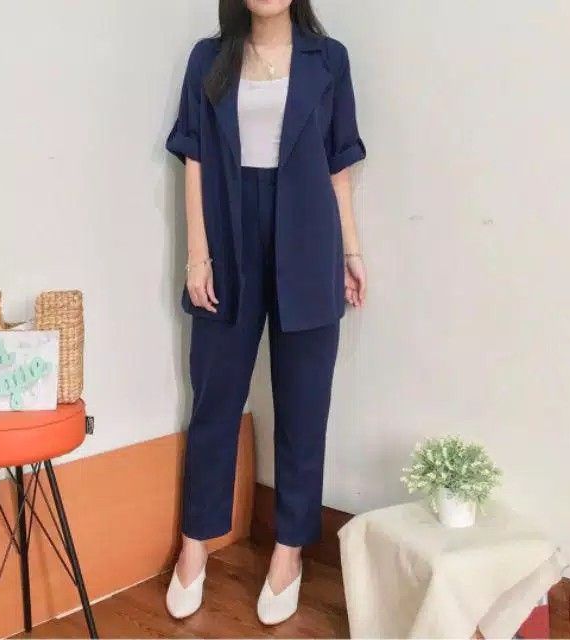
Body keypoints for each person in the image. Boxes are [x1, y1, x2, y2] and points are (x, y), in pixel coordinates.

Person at [165, 0, 366, 625]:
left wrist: (351, 251)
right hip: (228, 236)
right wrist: (197, 254)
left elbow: (338, 168)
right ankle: (194, 542)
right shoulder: (210, 58)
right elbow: (195, 160)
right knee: (215, 397)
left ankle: (289, 551)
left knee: (304, 404)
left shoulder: (329, 60)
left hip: (308, 236)